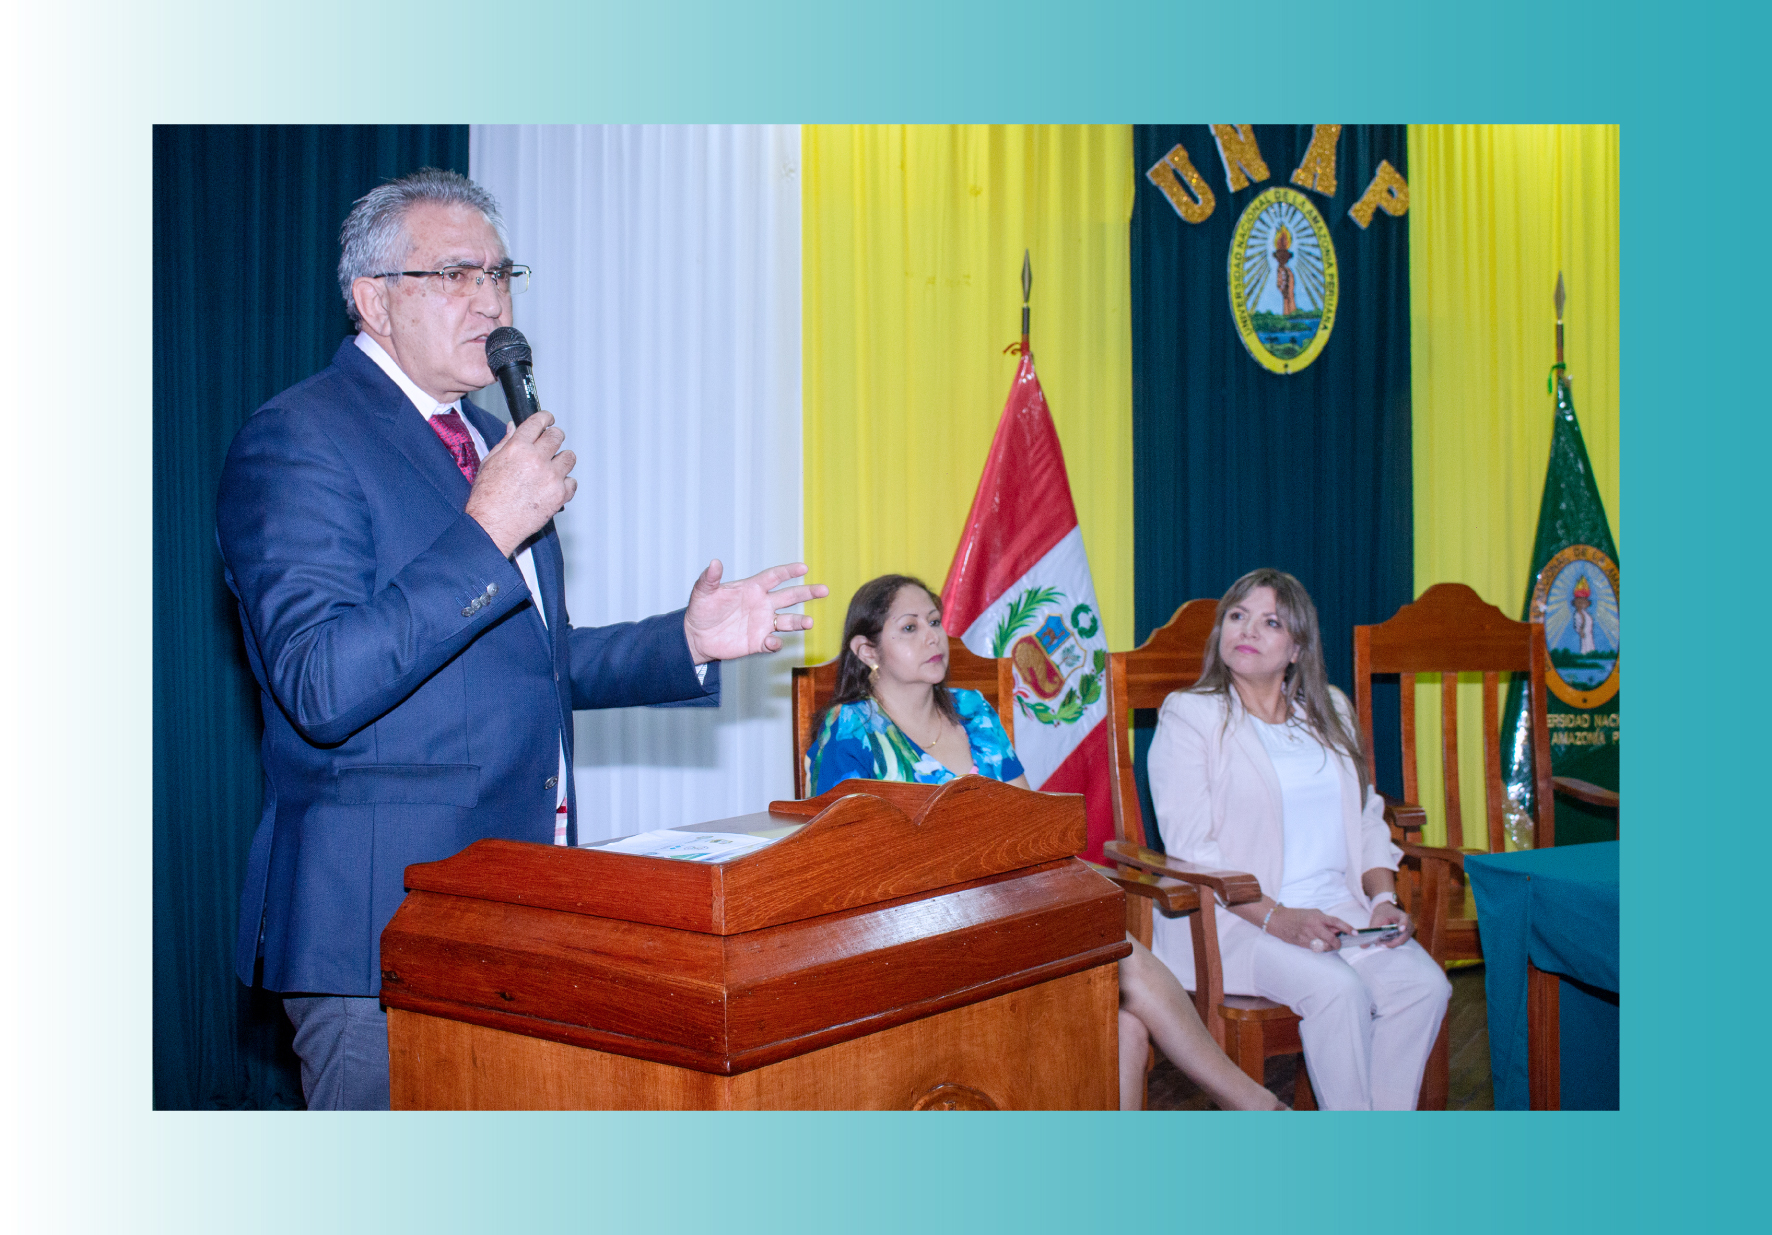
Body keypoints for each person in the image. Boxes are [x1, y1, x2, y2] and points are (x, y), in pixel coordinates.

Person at [215, 168, 826, 1110]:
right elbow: (320, 682)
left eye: (500, 273)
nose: (490, 300)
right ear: (374, 301)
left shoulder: (488, 436)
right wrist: (484, 531)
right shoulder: (298, 437)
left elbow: (530, 659)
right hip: (377, 930)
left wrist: (688, 639)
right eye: (456, 274)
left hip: (516, 899)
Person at [807, 574, 1284, 1111]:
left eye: (936, 623)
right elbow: (847, 866)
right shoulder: (849, 733)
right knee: (1123, 961)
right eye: (910, 628)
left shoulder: (972, 711)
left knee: (1126, 1023)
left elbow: (1027, 824)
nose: (933, 638)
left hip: (1007, 905)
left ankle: (1241, 1114)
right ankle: (1257, 1106)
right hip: (918, 930)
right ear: (867, 650)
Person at [1145, 568, 1451, 1110]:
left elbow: (1365, 816)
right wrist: (1279, 916)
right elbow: (1194, 851)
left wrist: (1382, 899)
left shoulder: (1330, 710)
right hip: (1232, 922)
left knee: (1426, 988)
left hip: (1337, 908)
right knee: (1338, 991)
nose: (1248, 630)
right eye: (1237, 616)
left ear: (1296, 648)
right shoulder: (1190, 715)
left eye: (1271, 622)